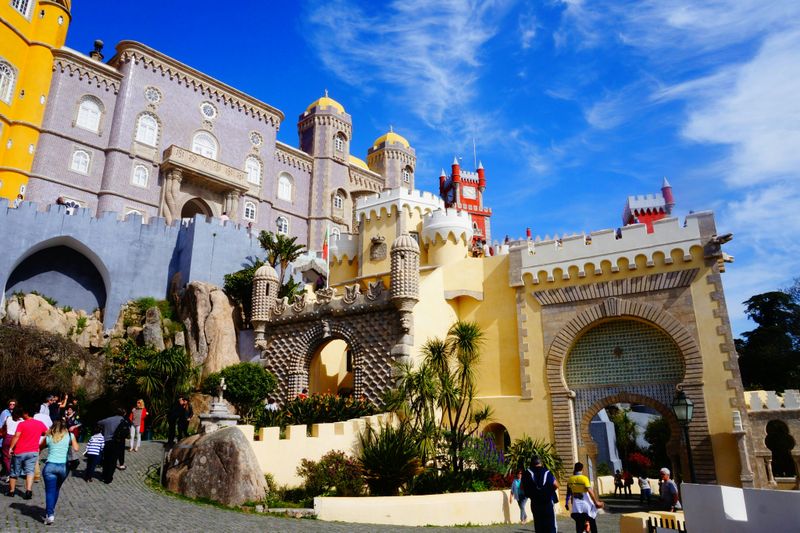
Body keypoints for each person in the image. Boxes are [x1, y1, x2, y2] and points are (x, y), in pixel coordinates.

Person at [40, 419, 79, 525]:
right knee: (56, 489)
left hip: (50, 466)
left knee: (49, 491)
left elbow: (40, 447)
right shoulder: (70, 436)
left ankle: (50, 514)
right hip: (63, 467)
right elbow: (76, 448)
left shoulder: (48, 436)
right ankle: (51, 510)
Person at [7, 404, 48, 499]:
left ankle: (11, 491)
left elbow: (16, 436)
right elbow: (48, 433)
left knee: (14, 471)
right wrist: (41, 441)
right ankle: (28, 491)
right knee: (30, 471)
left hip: (20, 451)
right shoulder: (40, 423)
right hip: (33, 451)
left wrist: (11, 448)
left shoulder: (22, 424)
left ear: (26, 413)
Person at [522, 456, 558, 533]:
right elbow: (555, 485)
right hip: (547, 502)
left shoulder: (527, 473)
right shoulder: (547, 472)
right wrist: (549, 491)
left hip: (535, 503)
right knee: (550, 525)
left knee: (538, 525)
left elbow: (522, 487)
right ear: (541, 463)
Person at [565, 462, 604, 533]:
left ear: (575, 468)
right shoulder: (584, 479)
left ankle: (584, 528)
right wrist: (596, 502)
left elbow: (568, 493)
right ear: (582, 469)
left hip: (576, 506)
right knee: (592, 521)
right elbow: (590, 492)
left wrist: (566, 503)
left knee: (578, 525)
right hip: (586, 505)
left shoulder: (570, 479)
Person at [98, 408, 128, 483]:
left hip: (107, 442)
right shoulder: (123, 420)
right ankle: (108, 478)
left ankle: (104, 475)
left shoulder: (108, 419)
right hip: (117, 442)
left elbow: (99, 422)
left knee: (106, 459)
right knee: (113, 461)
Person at [1, 404, 21, 482]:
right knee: (16, 456)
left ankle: (9, 473)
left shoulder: (8, 418)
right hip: (17, 438)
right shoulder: (22, 421)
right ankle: (15, 472)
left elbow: (3, 427)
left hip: (8, 438)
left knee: (6, 457)